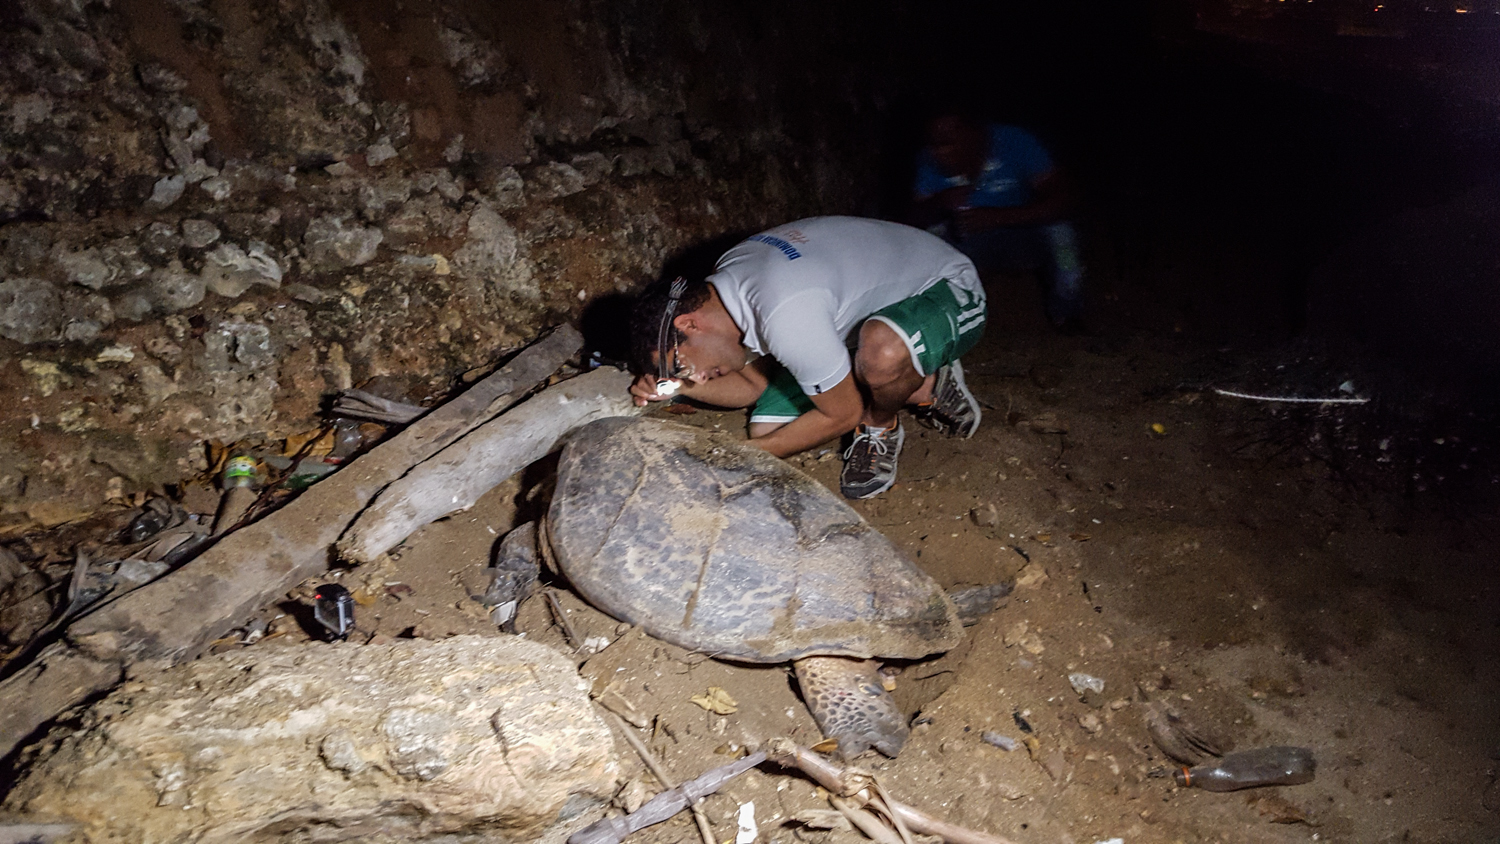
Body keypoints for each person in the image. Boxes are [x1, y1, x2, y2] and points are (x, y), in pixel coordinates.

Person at [628, 216, 986, 499]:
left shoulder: (783, 312)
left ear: (690, 323)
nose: (699, 376)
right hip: (856, 317)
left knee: (882, 352)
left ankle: (893, 411)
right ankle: (896, 373)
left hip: (944, 287)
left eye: (684, 365)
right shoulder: (727, 288)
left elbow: (842, 415)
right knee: (770, 430)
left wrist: (737, 456)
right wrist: (676, 387)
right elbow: (752, 385)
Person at [909, 110, 1085, 328]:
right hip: (967, 240)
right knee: (928, 237)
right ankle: (937, 320)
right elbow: (911, 220)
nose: (939, 152)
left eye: (947, 142)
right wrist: (938, 202)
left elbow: (1065, 198)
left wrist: (998, 217)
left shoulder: (1014, 141)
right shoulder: (928, 160)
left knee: (1060, 231)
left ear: (975, 134)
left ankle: (1068, 314)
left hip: (1023, 231)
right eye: (934, 144)